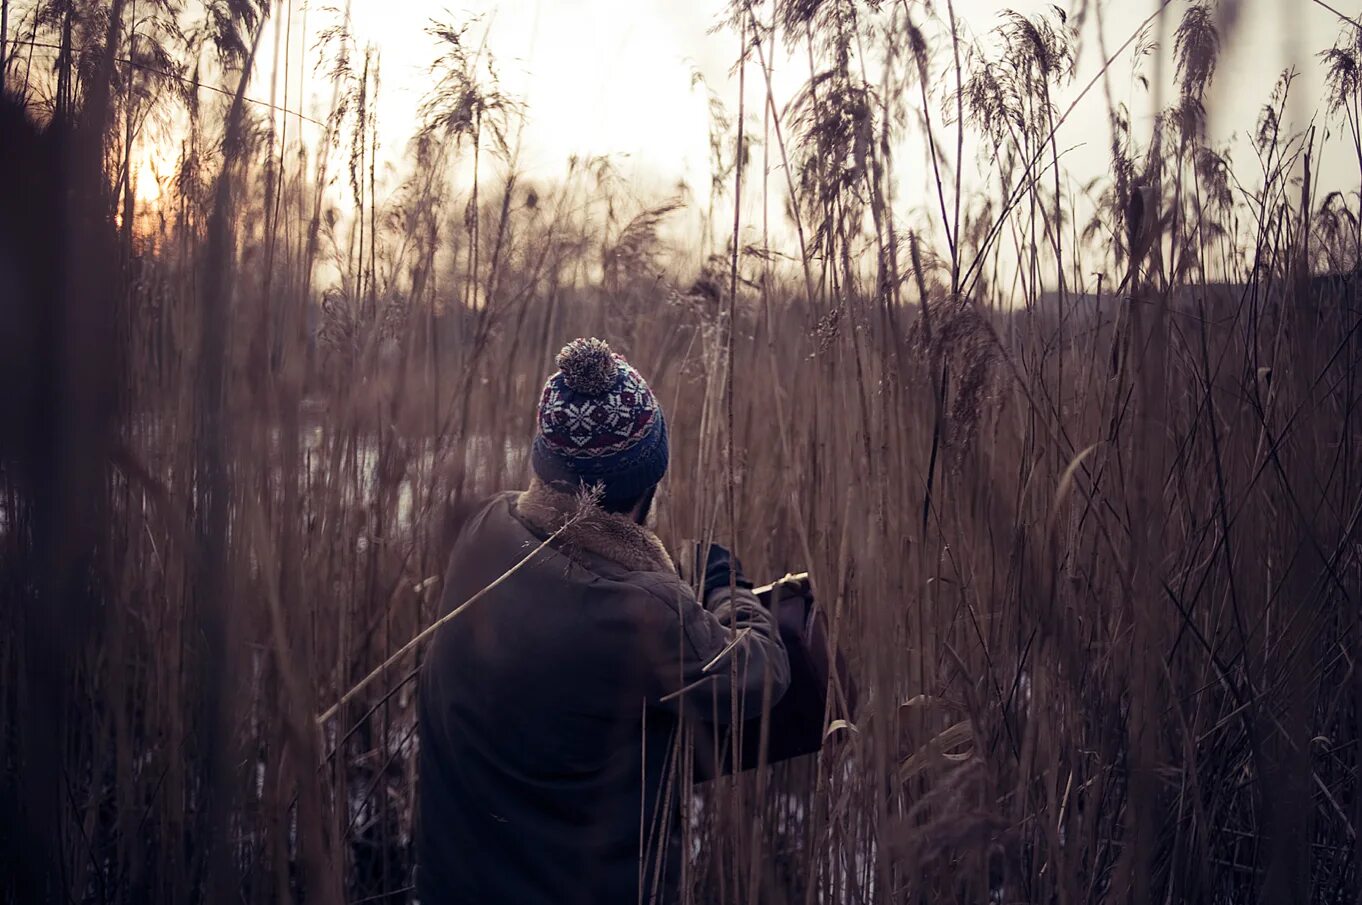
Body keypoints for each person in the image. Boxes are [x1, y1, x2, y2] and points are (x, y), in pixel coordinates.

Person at [416, 337, 791, 905]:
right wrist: (726, 588)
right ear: (646, 484)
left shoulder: (483, 530)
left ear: (544, 463)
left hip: (453, 886)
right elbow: (760, 673)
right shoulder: (642, 610)